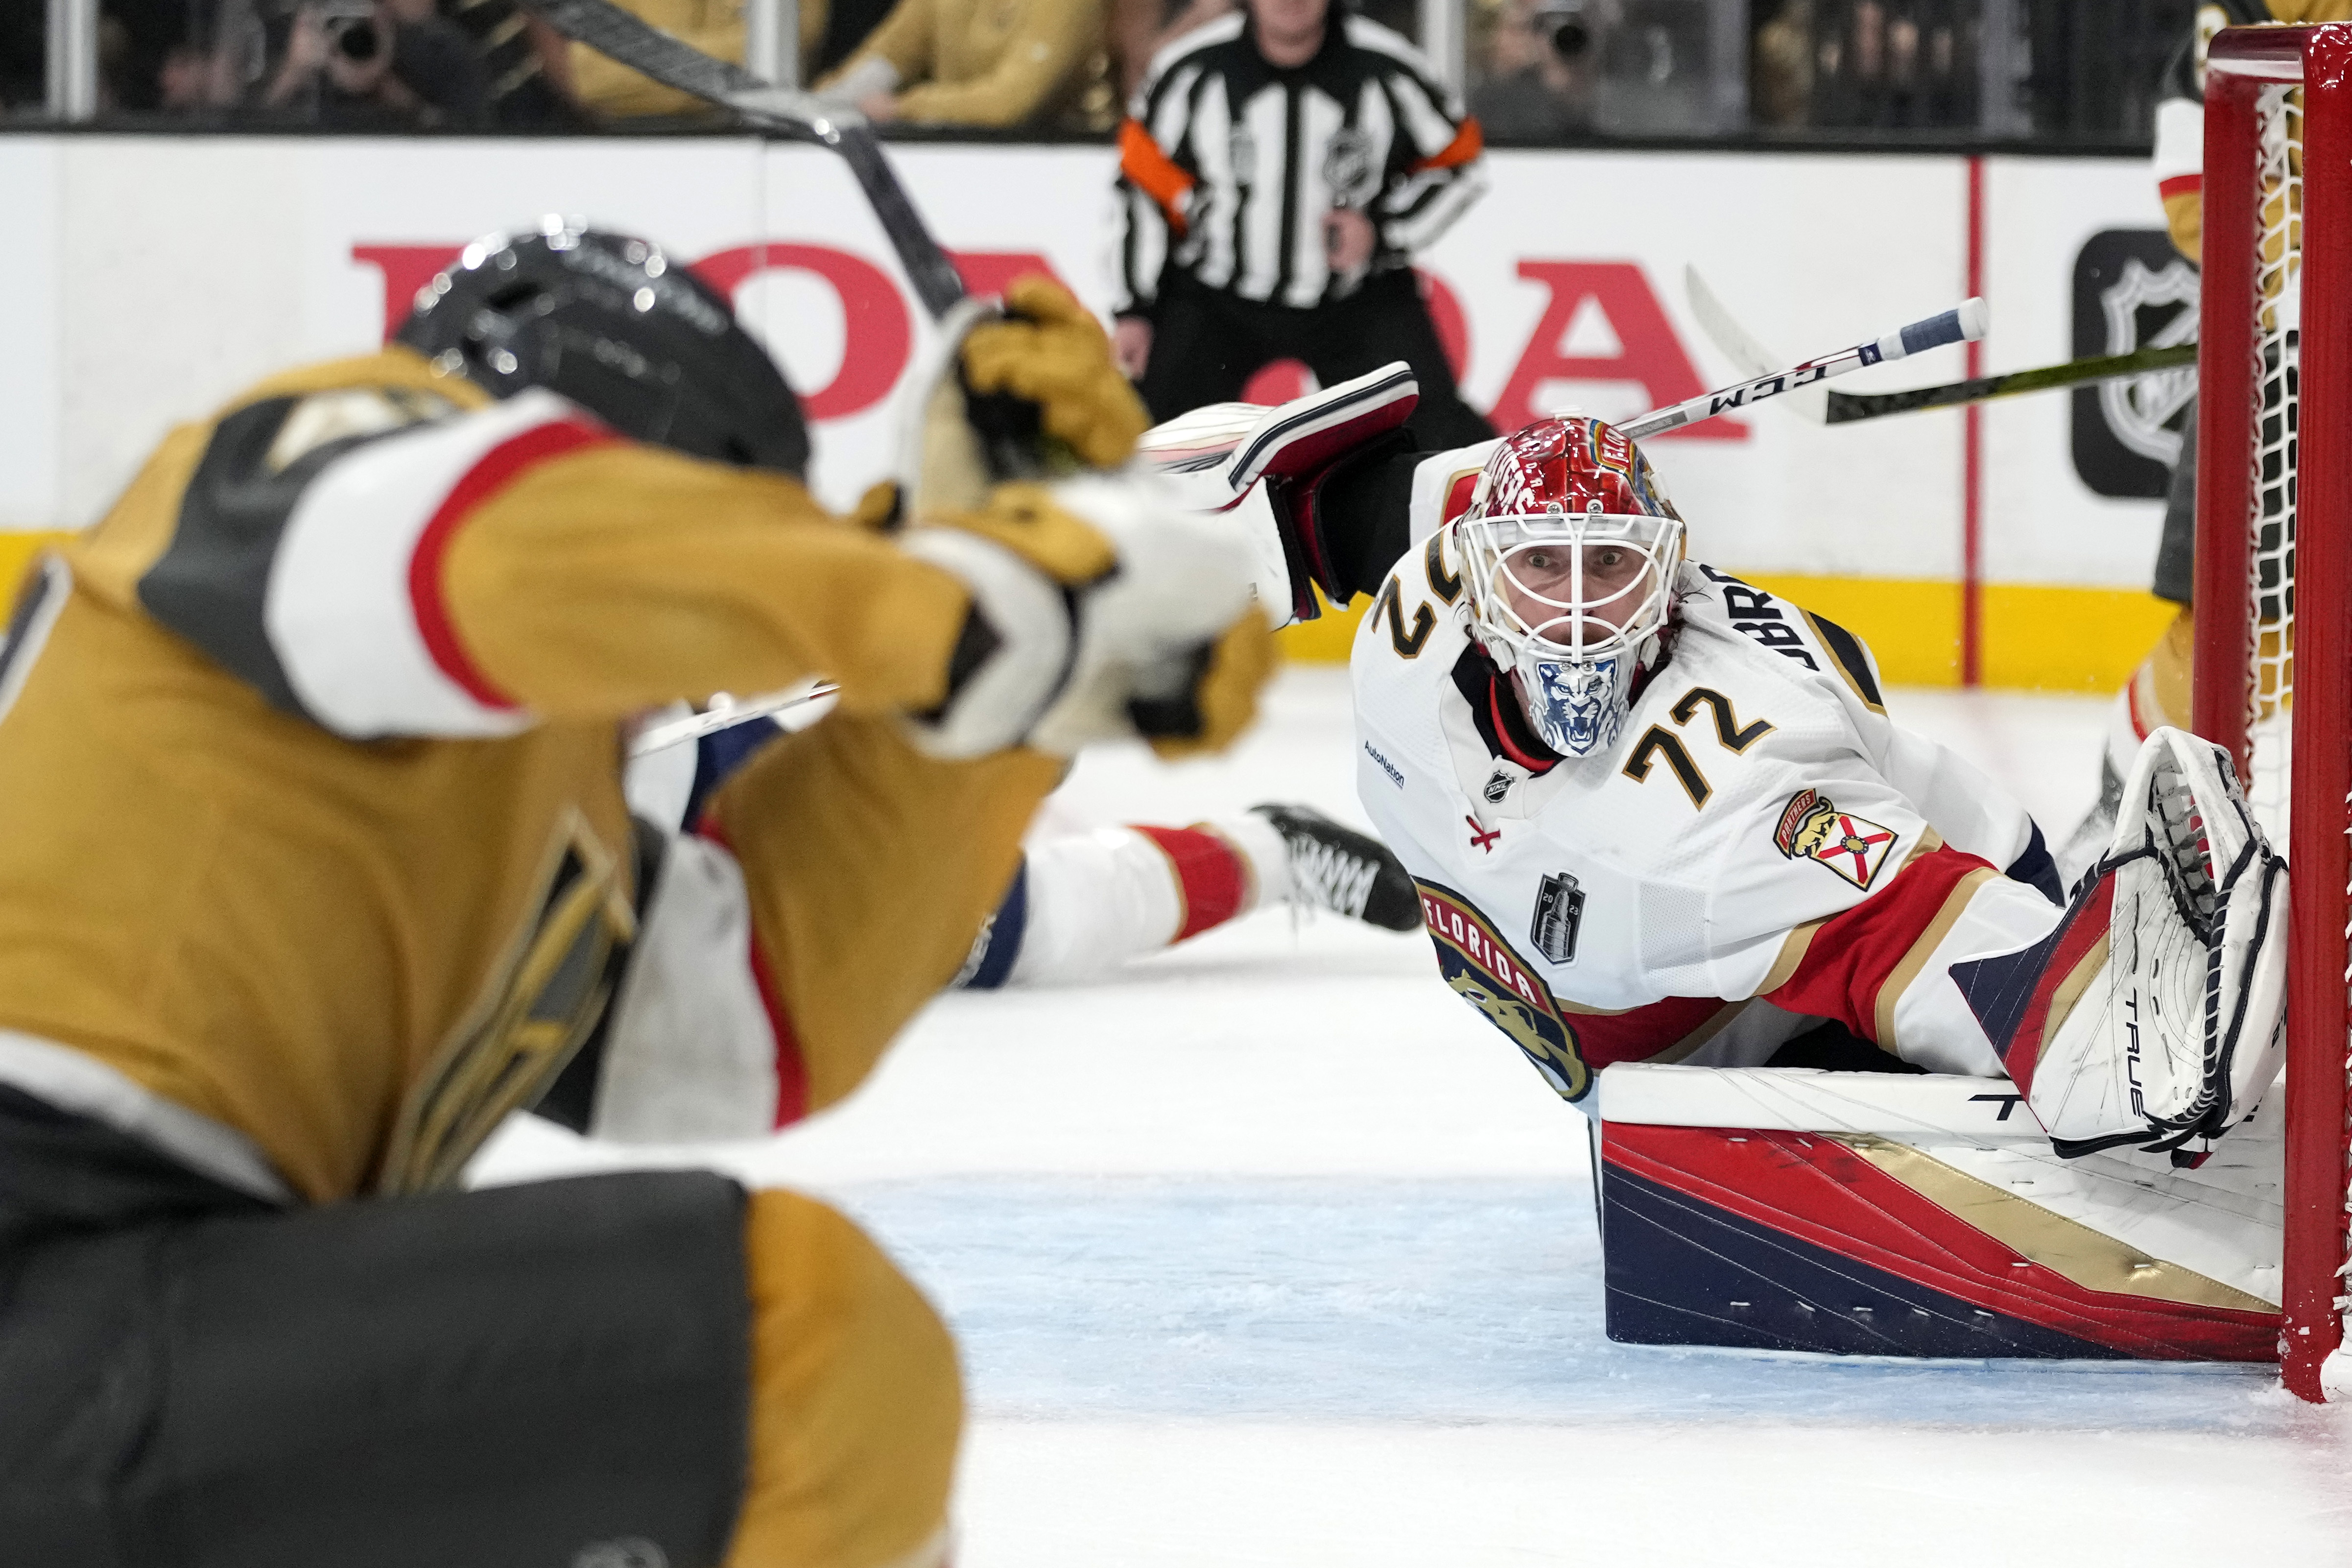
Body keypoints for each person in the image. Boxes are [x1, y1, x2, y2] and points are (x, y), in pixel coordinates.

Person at [0, 221, 1272, 1565]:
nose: (662, 703)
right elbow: (497, 540)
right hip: (58, 1283)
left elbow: (748, 1021)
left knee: (715, 1408)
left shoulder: (484, 796)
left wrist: (986, 700)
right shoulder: (326, 448)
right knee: (801, 1346)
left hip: (137, 1338)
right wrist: (939, 594)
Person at [1141, 369, 2289, 1162]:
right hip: (1625, 1003)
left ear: (1673, 579)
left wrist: (2109, 1029)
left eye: (1615, 574)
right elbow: (1280, 493)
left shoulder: (1731, 799)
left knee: (1971, 1021)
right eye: (1543, 568)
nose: (1581, 616)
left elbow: (1939, 943)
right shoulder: (1416, 605)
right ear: (1474, 582)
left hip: (1801, 997)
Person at [2061, 0, 2352, 872]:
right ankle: (2122, 816)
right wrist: (2307, 281)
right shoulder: (2246, 10)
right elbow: (2197, 194)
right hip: (2283, 367)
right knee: (2225, 628)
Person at [1111, 0, 1495, 451]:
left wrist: (1383, 232)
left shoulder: (1388, 67)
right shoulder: (1191, 69)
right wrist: (1134, 309)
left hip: (1355, 300)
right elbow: (1141, 184)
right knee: (1148, 441)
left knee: (1439, 436)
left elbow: (1461, 163)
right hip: (1216, 298)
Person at [811, 0, 1107, 129]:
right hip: (959, 156)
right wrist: (819, 106)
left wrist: (903, 109)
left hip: (1062, 163)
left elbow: (1009, 105)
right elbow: (889, 57)